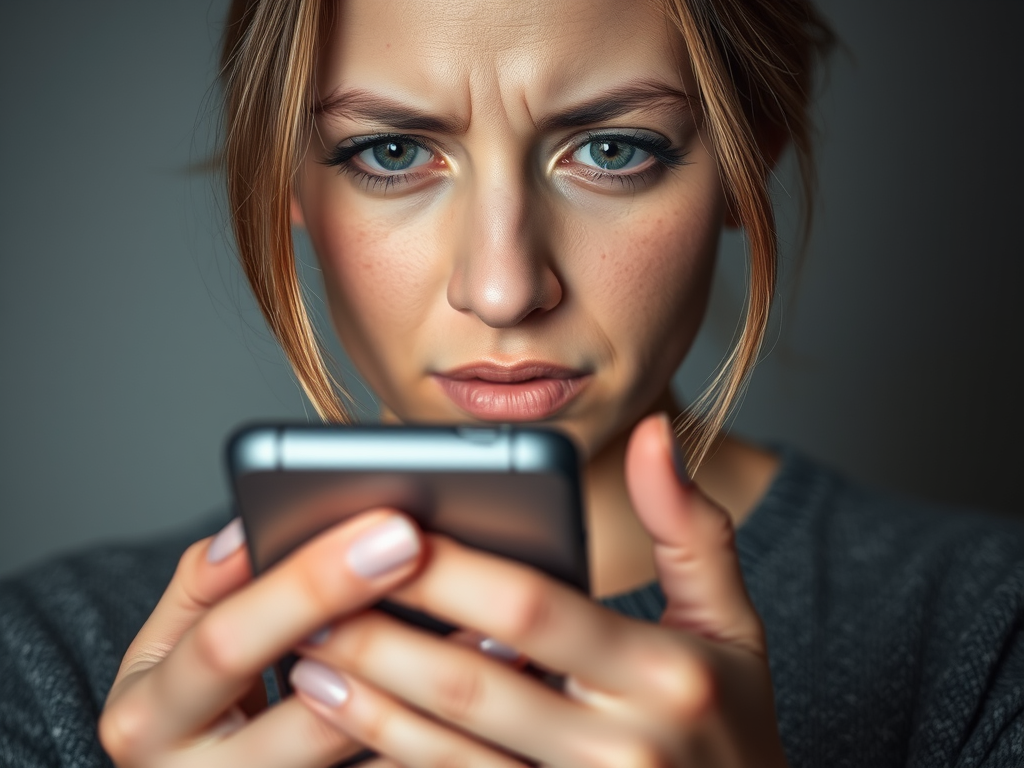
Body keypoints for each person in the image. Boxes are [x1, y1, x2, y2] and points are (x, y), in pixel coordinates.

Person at [1, 0, 1021, 766]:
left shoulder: (988, 639)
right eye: (392, 152)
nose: (501, 288)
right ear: (286, 180)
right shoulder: (50, 667)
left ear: (749, 157)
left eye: (612, 150)